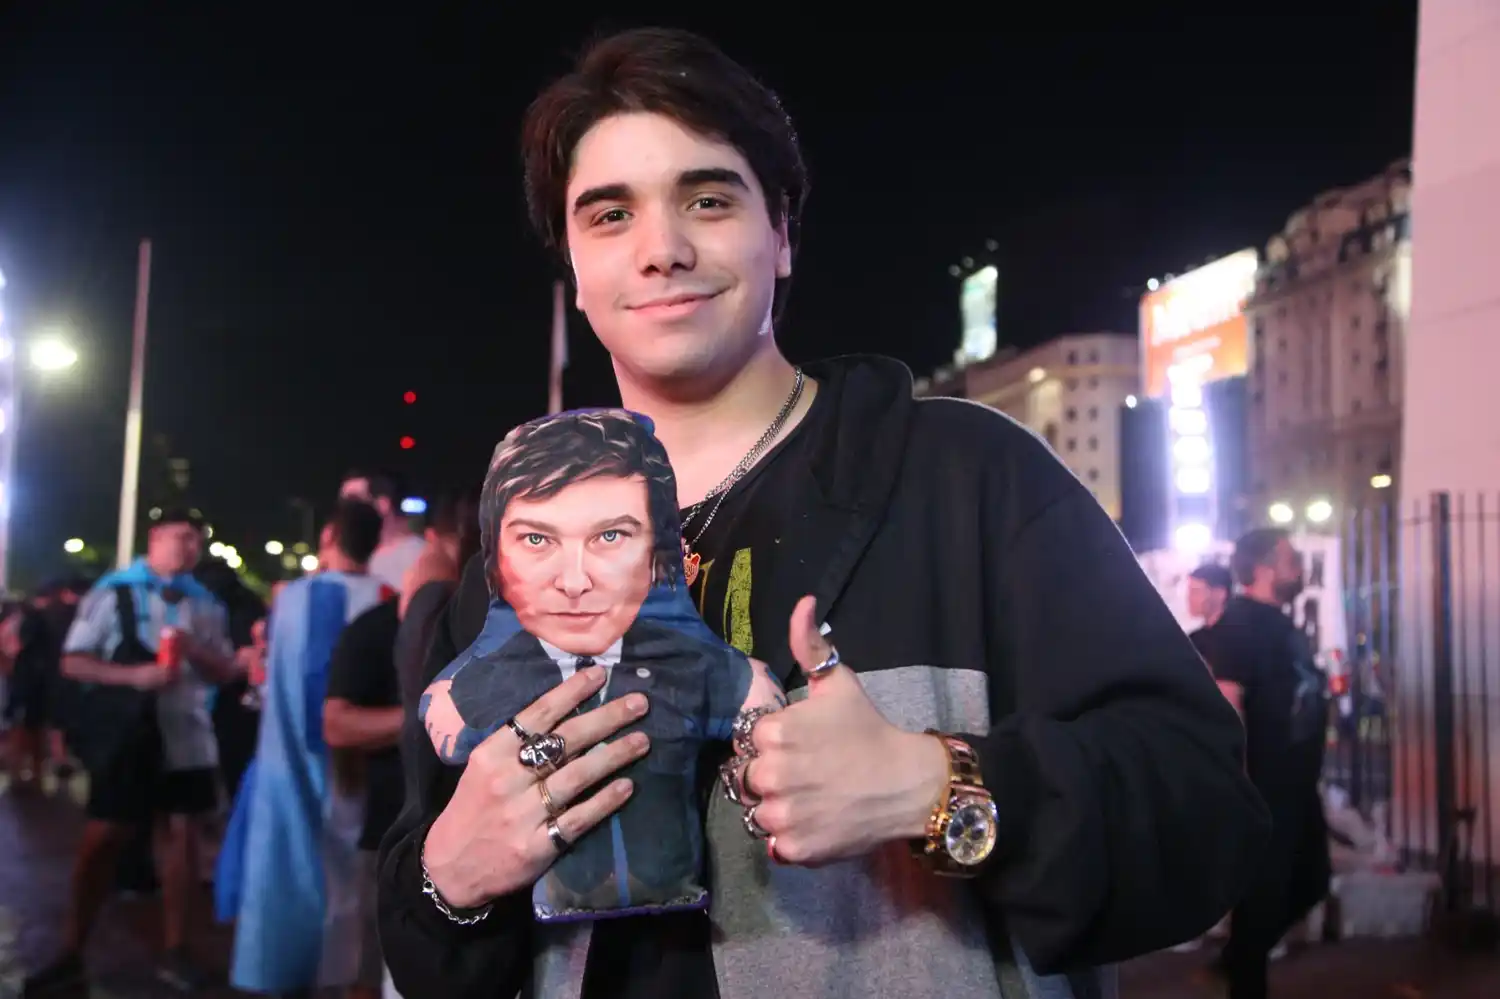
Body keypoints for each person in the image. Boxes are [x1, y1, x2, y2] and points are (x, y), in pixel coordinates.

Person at [378, 28, 1268, 999]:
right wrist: (449, 879)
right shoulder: (518, 557)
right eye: (609, 215)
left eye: (708, 200)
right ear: (576, 269)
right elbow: (423, 937)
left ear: (783, 233)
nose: (663, 249)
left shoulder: (968, 481)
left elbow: (1206, 821)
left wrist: (938, 790)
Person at [25, 509, 241, 996]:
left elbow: (225, 671)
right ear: (155, 540)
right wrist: (134, 677)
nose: (188, 548)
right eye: (179, 538)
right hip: (129, 738)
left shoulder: (206, 603)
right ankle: (72, 949)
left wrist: (198, 655)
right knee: (105, 837)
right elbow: (74, 662)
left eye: (196, 540)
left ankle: (176, 949)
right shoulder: (113, 591)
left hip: (187, 734)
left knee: (182, 838)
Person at [218, 499, 390, 997]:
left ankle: (272, 970)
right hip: (360, 769)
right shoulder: (388, 599)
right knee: (350, 885)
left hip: (284, 767)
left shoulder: (288, 599)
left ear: (330, 535)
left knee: (282, 875)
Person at [1201, 529, 1332, 999]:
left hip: (1298, 784)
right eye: (1288, 558)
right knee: (1263, 897)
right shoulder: (1241, 623)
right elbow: (1227, 703)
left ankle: (1240, 956)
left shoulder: (1280, 623)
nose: (1297, 566)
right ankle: (1244, 974)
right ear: (1261, 568)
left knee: (1312, 880)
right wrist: (1238, 782)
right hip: (1266, 785)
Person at [1187, 562, 1234, 660]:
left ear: (1220, 594)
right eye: (1190, 591)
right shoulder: (1194, 640)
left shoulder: (1237, 639)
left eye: (1196, 592)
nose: (1189, 598)